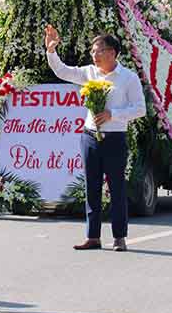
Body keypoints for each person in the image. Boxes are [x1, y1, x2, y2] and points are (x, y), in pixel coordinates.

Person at [45, 25, 146, 251]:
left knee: (117, 187)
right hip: (90, 136)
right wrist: (51, 51)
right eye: (92, 50)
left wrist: (113, 114)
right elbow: (63, 71)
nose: (94, 54)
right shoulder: (89, 72)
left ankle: (119, 236)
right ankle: (93, 236)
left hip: (115, 137)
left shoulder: (128, 77)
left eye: (98, 50)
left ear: (112, 53)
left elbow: (140, 109)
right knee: (92, 187)